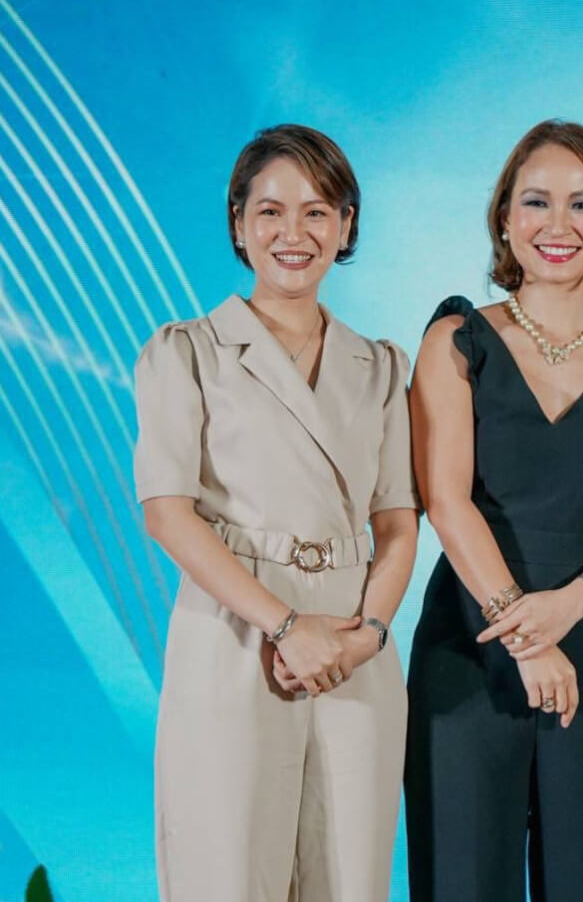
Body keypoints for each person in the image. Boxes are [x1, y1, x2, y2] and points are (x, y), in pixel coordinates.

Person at [134, 124, 418, 901]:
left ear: (347, 226)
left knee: (348, 877)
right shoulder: (187, 352)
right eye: (270, 211)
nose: (294, 233)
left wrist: (368, 635)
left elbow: (398, 523)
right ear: (238, 223)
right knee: (226, 874)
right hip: (234, 634)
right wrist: (287, 626)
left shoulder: (381, 366)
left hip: (353, 649)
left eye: (318, 211)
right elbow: (167, 513)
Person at [404, 119, 583, 902]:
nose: (558, 225)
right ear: (504, 218)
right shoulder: (457, 340)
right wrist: (524, 631)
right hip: (470, 652)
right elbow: (445, 500)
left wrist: (572, 605)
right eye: (536, 201)